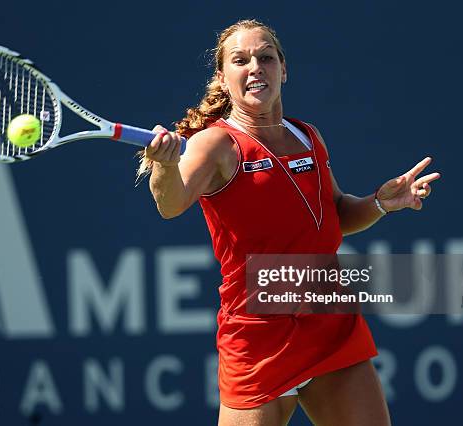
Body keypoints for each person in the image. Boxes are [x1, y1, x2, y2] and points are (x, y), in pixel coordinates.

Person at [140, 19, 440, 426]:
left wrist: (380, 203)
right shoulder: (215, 143)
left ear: (284, 68)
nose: (255, 68)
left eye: (266, 57)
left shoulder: (307, 135)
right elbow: (171, 203)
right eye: (240, 60)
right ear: (223, 78)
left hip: (328, 319)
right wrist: (163, 168)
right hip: (258, 333)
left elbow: (335, 215)